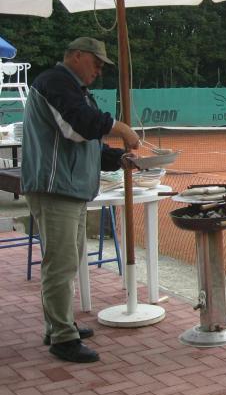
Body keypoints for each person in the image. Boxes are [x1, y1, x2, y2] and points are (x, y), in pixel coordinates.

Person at [22, 37, 140, 363]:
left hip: (68, 189)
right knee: (60, 264)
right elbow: (81, 126)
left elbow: (89, 144)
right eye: (96, 63)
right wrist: (121, 128)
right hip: (55, 189)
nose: (98, 71)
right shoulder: (55, 82)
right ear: (76, 56)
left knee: (67, 261)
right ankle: (62, 337)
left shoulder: (74, 90)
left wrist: (119, 159)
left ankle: (59, 325)